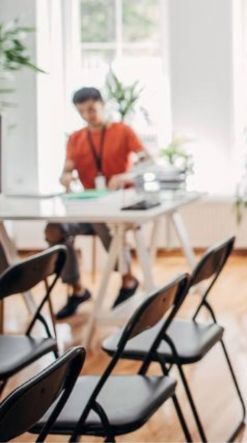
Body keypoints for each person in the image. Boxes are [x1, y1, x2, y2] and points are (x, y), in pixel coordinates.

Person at [46, 87, 153, 319]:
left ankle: (128, 281)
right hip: (88, 205)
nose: (87, 115)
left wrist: (125, 176)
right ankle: (77, 289)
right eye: (81, 111)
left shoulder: (123, 131)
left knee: (101, 219)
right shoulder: (76, 138)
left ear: (103, 105)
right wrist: (65, 178)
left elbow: (148, 160)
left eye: (92, 109)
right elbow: (66, 170)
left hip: (118, 206)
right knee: (55, 228)